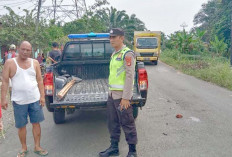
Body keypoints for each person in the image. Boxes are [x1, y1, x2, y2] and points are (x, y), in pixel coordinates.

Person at [1, 41, 48, 157]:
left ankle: (37, 146)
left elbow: (40, 80)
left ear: (31, 51)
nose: (25, 52)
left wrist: (42, 96)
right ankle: (23, 148)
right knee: (21, 126)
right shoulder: (10, 63)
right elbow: (5, 81)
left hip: (35, 100)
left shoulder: (35, 63)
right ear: (18, 48)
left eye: (28, 50)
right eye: (23, 49)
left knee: (36, 124)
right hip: (18, 101)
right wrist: (3, 99)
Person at [99, 28, 138, 157]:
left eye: (114, 37)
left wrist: (126, 98)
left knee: (127, 123)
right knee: (112, 122)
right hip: (112, 95)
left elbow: (129, 76)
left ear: (121, 38)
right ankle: (114, 147)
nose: (111, 40)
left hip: (122, 97)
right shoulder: (115, 54)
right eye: (110, 37)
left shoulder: (127, 54)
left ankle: (132, 151)